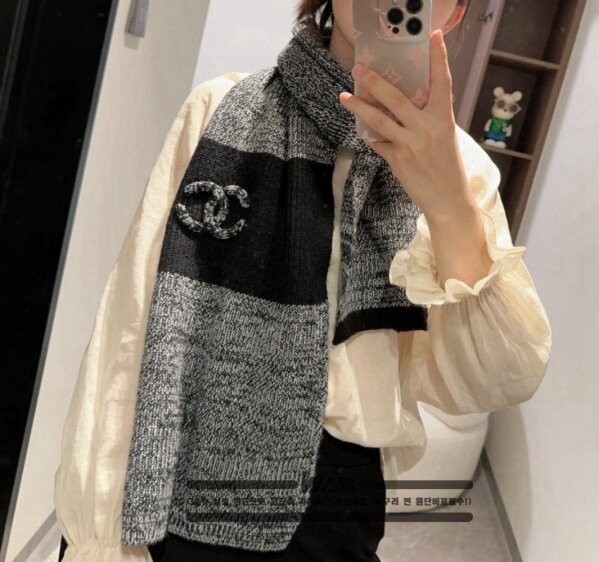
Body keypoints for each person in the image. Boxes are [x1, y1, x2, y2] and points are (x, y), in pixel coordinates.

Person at [55, 1, 552, 560]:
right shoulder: (220, 109)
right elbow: (133, 325)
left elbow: (498, 378)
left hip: (336, 499)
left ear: (455, 16)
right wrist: (98, 531)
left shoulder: (464, 171)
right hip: (191, 465)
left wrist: (447, 204)